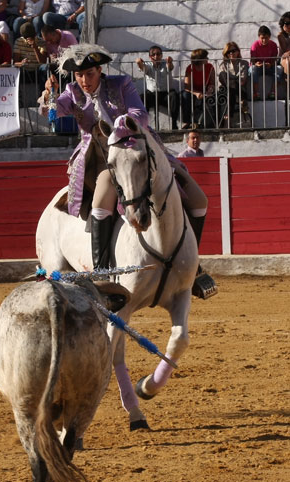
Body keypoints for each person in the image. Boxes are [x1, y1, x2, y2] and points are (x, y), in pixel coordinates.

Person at [39, 43, 216, 302]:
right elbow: (52, 113)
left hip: (138, 151)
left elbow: (140, 116)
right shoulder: (72, 92)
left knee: (199, 200)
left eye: (89, 74)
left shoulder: (121, 84)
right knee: (100, 205)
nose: (84, 81)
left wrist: (119, 125)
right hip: (101, 162)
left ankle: (193, 267)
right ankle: (102, 276)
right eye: (79, 75)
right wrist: (49, 97)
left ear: (100, 71)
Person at [135, 45, 179, 130]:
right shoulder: (148, 65)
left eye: (158, 54)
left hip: (166, 93)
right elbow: (143, 67)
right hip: (152, 94)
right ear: (150, 57)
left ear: (161, 55)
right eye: (153, 54)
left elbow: (170, 67)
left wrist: (169, 62)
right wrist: (138, 62)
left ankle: (174, 124)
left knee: (174, 96)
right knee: (142, 97)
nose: (156, 56)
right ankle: (144, 124)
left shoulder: (165, 63)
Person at [181, 48, 215, 129]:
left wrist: (211, 88)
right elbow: (187, 87)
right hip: (192, 92)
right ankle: (187, 122)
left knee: (210, 99)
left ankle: (205, 123)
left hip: (205, 91)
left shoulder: (210, 67)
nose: (207, 59)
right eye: (205, 57)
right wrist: (196, 93)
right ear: (199, 60)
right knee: (185, 95)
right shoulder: (190, 68)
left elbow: (213, 83)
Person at [13, 21, 47, 92]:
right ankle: (19, 99)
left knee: (45, 68)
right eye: (27, 37)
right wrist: (21, 63)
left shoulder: (41, 41)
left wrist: (35, 47)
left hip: (37, 71)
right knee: (16, 71)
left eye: (32, 36)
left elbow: (42, 62)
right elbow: (15, 63)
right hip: (24, 71)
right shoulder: (19, 41)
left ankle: (43, 96)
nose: (30, 39)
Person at [218, 41, 248, 121]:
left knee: (232, 87)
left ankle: (227, 119)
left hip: (240, 89)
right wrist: (233, 79)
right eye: (229, 52)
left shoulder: (244, 63)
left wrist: (231, 79)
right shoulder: (223, 64)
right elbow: (222, 79)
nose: (231, 53)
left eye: (233, 51)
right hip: (229, 91)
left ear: (238, 51)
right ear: (226, 54)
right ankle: (241, 100)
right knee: (223, 75)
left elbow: (242, 80)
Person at [249, 25, 282, 100]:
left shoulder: (273, 45)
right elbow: (252, 61)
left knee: (279, 69)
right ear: (259, 37)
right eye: (262, 38)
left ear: (269, 37)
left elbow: (274, 59)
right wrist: (257, 64)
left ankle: (273, 92)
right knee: (252, 70)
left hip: (269, 67)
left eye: (266, 38)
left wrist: (270, 64)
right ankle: (256, 93)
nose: (264, 40)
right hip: (258, 68)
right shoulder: (255, 45)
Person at [278, 12, 290, 77]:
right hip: (284, 59)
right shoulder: (281, 36)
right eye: (287, 23)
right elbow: (285, 52)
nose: (289, 25)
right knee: (288, 62)